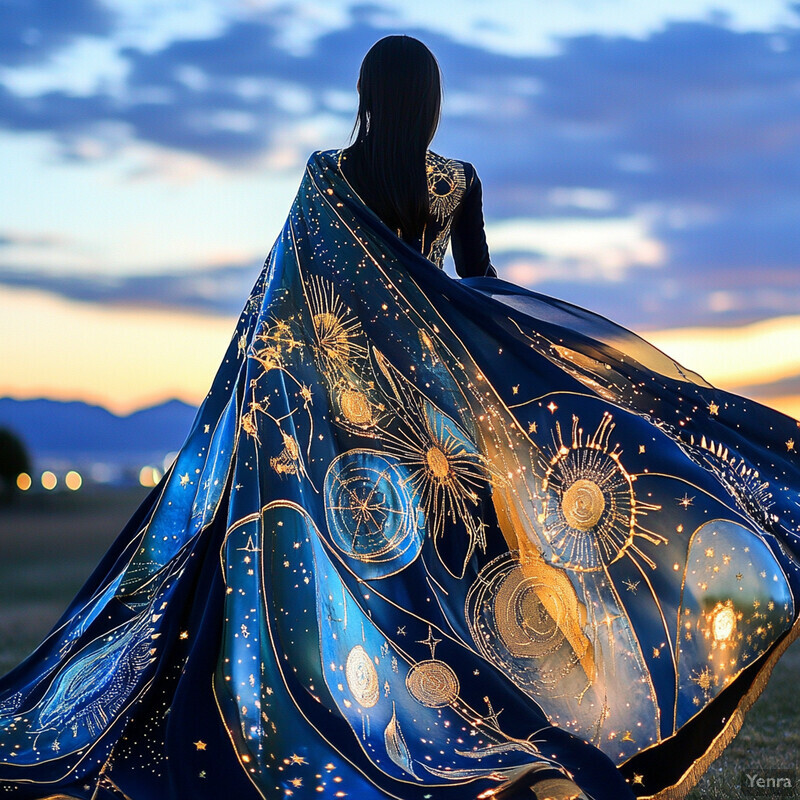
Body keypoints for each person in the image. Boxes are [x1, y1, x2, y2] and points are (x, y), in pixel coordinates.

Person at [0, 34, 799, 800]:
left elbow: (285, 310)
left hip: (342, 438)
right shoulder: (455, 183)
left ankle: (360, 723)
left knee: (345, 591)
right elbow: (480, 291)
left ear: (366, 98)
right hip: (436, 434)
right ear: (433, 105)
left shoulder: (326, 177)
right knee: (478, 591)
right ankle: (487, 723)